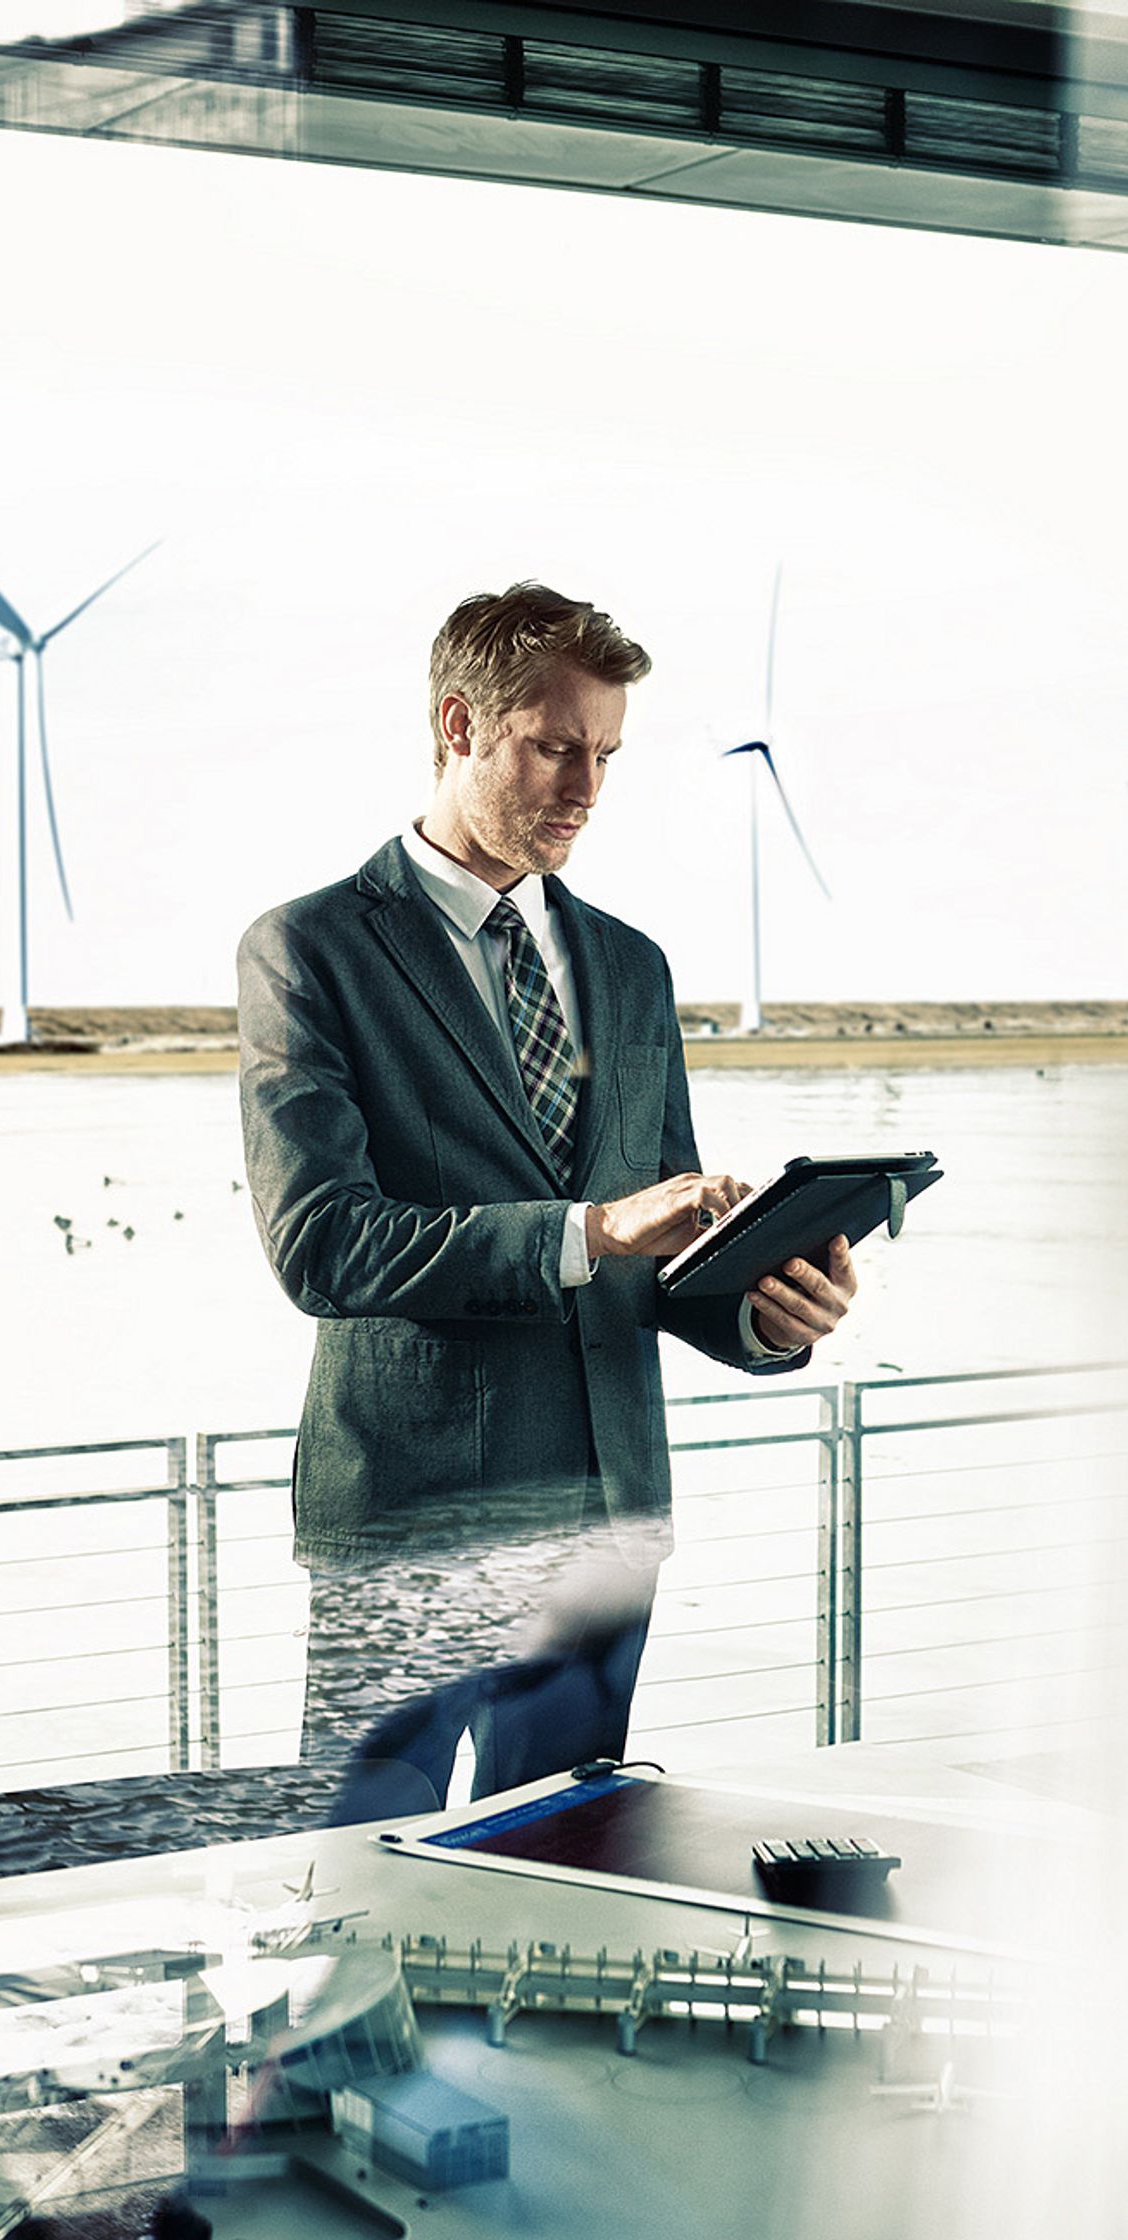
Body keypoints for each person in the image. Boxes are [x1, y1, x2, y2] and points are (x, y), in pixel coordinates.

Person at [237, 583, 854, 1811]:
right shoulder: (309, 948)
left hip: (610, 1519)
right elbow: (322, 1245)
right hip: (415, 1516)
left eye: (607, 754)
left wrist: (761, 1307)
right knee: (360, 1875)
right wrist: (590, 1230)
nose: (585, 785)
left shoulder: (632, 966)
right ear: (459, 724)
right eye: (556, 746)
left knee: (568, 1877)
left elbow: (661, 1249)